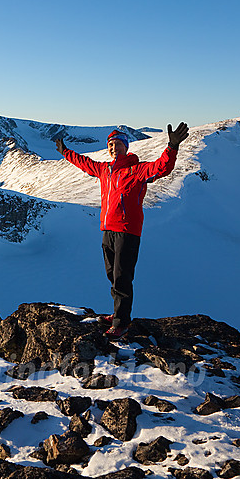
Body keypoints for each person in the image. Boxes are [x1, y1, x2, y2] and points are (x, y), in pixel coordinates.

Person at [54, 123, 189, 340]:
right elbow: (85, 163)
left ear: (125, 147)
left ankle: (121, 322)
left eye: (117, 144)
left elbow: (162, 168)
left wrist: (172, 146)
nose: (113, 148)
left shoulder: (136, 170)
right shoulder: (105, 170)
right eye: (110, 145)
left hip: (127, 230)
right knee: (112, 275)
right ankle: (118, 313)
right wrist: (65, 152)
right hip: (108, 229)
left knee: (122, 276)